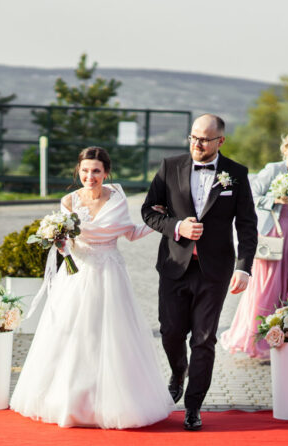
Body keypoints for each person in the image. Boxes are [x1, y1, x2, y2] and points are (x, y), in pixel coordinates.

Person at [10, 147, 174, 429]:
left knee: (113, 337)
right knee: (75, 335)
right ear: (78, 171)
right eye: (85, 170)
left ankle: (115, 403)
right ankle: (72, 402)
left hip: (110, 274)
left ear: (106, 173)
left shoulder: (117, 197)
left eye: (96, 171)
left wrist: (159, 221)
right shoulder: (69, 201)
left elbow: (131, 234)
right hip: (77, 275)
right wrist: (58, 242)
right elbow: (66, 246)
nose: (90, 176)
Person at [141, 114, 258, 431]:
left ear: (220, 141)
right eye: (193, 137)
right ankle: (178, 371)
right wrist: (177, 226)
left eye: (205, 139)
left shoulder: (236, 174)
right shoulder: (170, 166)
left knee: (204, 340)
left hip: (214, 270)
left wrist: (244, 267)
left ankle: (193, 406)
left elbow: (247, 225)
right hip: (174, 266)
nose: (197, 144)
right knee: (171, 332)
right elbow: (148, 211)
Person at [220, 130, 288, 359]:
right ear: (285, 150)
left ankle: (287, 338)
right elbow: (251, 195)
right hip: (271, 234)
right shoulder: (273, 169)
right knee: (265, 291)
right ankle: (259, 342)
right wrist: (274, 199)